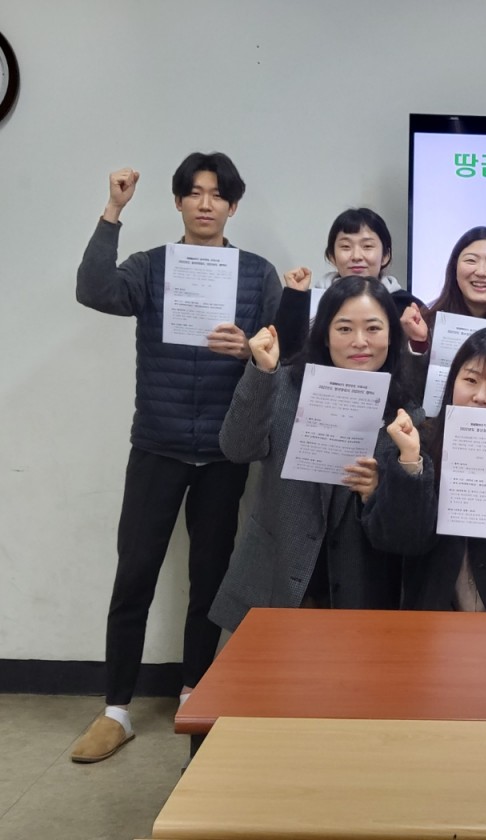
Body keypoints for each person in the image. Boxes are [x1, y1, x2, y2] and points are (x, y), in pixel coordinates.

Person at [72, 153, 280, 762]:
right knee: (134, 574)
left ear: (233, 206)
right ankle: (116, 710)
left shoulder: (257, 274)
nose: (205, 203)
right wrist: (113, 210)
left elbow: (284, 352)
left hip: (223, 451)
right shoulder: (151, 266)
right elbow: (94, 290)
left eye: (217, 194)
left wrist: (248, 351)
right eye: (194, 192)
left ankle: (195, 691)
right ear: (178, 202)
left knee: (209, 580)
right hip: (157, 446)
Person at [209, 277, 415, 631]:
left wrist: (378, 491)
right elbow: (237, 449)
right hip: (278, 572)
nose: (360, 341)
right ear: (325, 334)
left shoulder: (405, 410)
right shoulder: (285, 383)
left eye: (373, 328)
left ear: (391, 336)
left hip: (360, 589)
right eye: (344, 328)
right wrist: (261, 373)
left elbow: (407, 527)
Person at [363, 327, 486, 612]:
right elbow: (400, 541)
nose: (481, 396)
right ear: (452, 382)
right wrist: (410, 463)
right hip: (433, 620)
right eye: (470, 380)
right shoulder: (418, 445)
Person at [398, 226, 486, 406]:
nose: (481, 271)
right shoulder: (426, 321)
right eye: (471, 260)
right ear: (455, 267)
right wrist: (418, 344)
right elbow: (410, 394)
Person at [273, 207, 424, 361]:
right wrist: (295, 298)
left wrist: (416, 341)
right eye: (345, 247)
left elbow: (423, 366)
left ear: (385, 255)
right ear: (332, 256)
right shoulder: (310, 301)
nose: (356, 256)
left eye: (367, 246)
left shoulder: (407, 306)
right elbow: (283, 357)